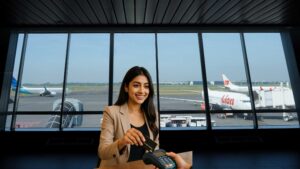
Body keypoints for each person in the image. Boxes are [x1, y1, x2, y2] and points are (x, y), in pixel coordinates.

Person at [98, 66, 159, 167]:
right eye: (136, 85)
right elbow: (102, 152)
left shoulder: (152, 113)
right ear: (126, 87)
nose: (142, 91)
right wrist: (122, 142)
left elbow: (154, 147)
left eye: (146, 86)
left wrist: (158, 161)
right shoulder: (111, 112)